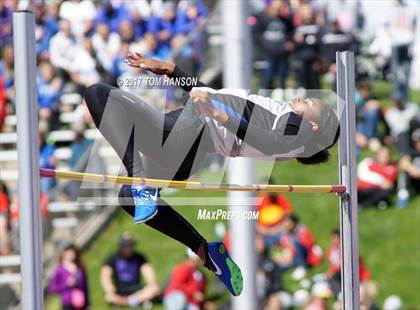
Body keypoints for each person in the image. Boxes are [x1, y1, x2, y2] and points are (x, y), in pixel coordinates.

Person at [83, 53, 340, 296]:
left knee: (97, 93)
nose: (307, 99)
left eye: (311, 103)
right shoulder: (280, 118)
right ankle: (204, 250)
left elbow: (270, 142)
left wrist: (217, 114)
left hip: (189, 133)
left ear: (314, 125)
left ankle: (140, 182)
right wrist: (173, 72)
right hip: (188, 144)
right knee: (127, 196)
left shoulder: (296, 130)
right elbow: (213, 96)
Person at [100, 233, 160, 307]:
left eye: (130, 245)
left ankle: (127, 302)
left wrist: (151, 283)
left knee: (154, 289)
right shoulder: (113, 258)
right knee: (108, 296)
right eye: (126, 245)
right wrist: (109, 288)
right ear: (121, 246)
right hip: (120, 290)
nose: (128, 247)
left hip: (136, 289)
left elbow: (148, 271)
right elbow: (105, 273)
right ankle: (135, 301)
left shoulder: (139, 257)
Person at [48, 244, 89, 310]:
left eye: (72, 251)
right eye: (68, 251)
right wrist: (67, 284)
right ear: (63, 253)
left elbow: (85, 287)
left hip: (81, 303)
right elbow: (52, 289)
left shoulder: (80, 268)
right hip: (68, 304)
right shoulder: (59, 270)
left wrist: (88, 304)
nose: (71, 254)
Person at [0, 181, 11, 255]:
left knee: (2, 226)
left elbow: (5, 210)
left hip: (4, 216)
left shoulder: (3, 196)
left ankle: (5, 248)